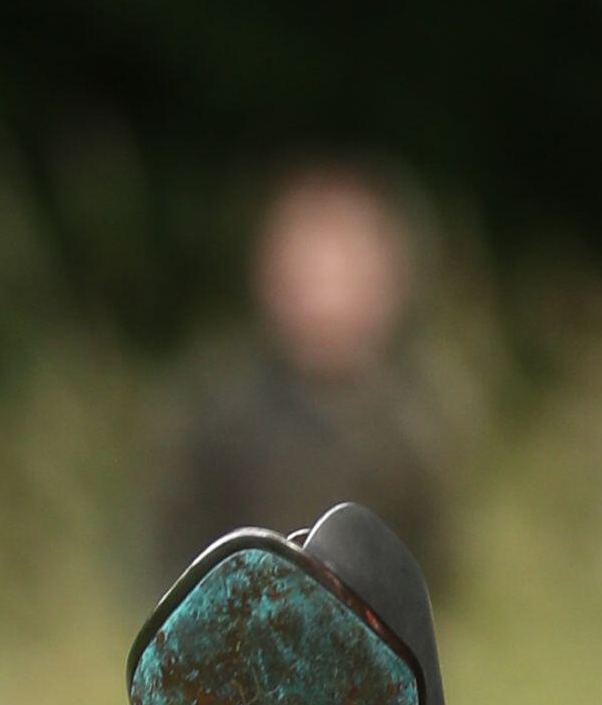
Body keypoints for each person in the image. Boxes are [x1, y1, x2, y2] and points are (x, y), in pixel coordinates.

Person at [146, 164, 452, 601]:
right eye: (312, 273)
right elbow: (171, 557)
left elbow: (441, 579)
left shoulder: (416, 424)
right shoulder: (226, 417)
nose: (328, 295)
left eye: (346, 274)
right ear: (272, 280)